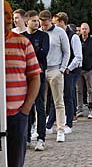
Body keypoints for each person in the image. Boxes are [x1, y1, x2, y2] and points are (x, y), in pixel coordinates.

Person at [4, 1, 41, 166]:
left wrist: (25, 109)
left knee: (15, 161)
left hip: (16, 115)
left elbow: (35, 78)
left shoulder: (23, 43)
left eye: (9, 14)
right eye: (3, 13)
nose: (8, 18)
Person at [46, 12, 82, 134]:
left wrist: (67, 68)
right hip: (59, 68)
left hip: (70, 70)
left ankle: (69, 123)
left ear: (62, 22)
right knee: (55, 97)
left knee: (68, 95)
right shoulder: (56, 34)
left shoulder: (73, 37)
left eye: (56, 23)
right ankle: (49, 123)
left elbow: (78, 56)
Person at [39, 10, 70, 142]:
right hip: (41, 70)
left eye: (46, 23)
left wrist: (62, 69)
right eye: (42, 24)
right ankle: (39, 130)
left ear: (50, 20)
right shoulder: (39, 32)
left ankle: (60, 129)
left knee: (58, 101)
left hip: (55, 69)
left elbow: (66, 51)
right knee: (40, 102)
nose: (44, 26)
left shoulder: (60, 32)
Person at [23, 10, 50, 151]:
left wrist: (30, 51)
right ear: (26, 21)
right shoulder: (22, 37)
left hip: (38, 75)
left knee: (40, 106)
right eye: (33, 20)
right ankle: (26, 137)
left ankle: (41, 137)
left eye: (37, 20)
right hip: (24, 76)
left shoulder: (43, 36)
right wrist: (34, 50)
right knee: (26, 107)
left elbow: (43, 52)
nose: (36, 23)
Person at [76, 23, 92, 119]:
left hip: (89, 69)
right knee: (79, 90)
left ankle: (91, 108)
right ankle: (80, 109)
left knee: (90, 89)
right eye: (83, 29)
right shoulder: (77, 40)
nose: (84, 30)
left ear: (88, 30)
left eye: (86, 29)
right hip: (79, 68)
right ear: (80, 30)